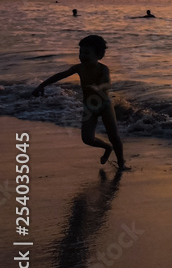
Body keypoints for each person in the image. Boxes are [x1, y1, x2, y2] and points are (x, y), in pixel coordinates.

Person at [32, 35, 128, 170]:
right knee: (87, 139)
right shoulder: (78, 68)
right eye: (80, 52)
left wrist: (99, 87)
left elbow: (107, 82)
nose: (82, 56)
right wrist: (42, 85)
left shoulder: (103, 69)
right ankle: (107, 147)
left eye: (87, 53)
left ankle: (121, 163)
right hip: (89, 107)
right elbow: (60, 75)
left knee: (114, 135)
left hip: (105, 105)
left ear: (99, 55)